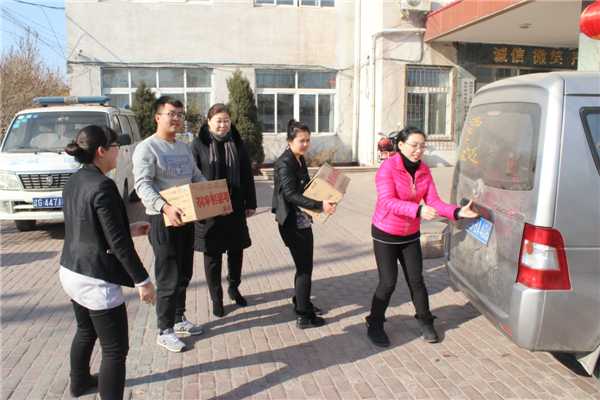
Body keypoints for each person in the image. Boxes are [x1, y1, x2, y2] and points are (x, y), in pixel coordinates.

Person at [60, 125, 156, 399]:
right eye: (116, 147)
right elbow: (119, 245)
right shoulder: (104, 185)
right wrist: (143, 280)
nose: (120, 152)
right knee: (115, 350)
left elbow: (89, 225)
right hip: (95, 278)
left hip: (71, 269)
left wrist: (128, 228)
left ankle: (79, 383)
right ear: (101, 151)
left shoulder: (75, 180)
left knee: (85, 330)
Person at [366, 126, 478, 347]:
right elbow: (387, 201)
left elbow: (434, 201)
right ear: (401, 145)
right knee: (388, 282)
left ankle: (425, 320)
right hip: (386, 232)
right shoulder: (388, 168)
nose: (418, 150)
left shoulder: (424, 170)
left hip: (409, 233)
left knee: (416, 280)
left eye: (422, 146)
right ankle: (375, 323)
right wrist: (417, 210)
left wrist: (457, 212)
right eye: (414, 145)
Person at [132, 96, 207, 353]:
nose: (176, 118)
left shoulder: (183, 148)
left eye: (179, 114)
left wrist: (210, 191)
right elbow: (142, 185)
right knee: (168, 276)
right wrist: (165, 206)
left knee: (184, 272)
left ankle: (178, 318)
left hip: (186, 218)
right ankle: (164, 330)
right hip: (163, 219)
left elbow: (196, 176)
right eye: (171, 114)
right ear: (158, 117)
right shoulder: (147, 148)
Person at [191, 104, 257, 317]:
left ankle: (234, 287)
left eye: (226, 120)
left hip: (235, 205)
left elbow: (246, 174)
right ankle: (216, 298)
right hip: (209, 206)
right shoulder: (198, 144)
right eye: (218, 120)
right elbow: (192, 175)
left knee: (236, 250)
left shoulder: (237, 142)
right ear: (208, 121)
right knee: (213, 255)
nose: (223, 124)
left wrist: (250, 202)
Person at [272, 119, 337, 329]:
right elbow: (290, 194)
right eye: (302, 140)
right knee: (304, 269)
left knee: (304, 266)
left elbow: (305, 188)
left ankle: (301, 301)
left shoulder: (298, 159)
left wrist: (326, 192)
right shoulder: (285, 163)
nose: (306, 144)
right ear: (290, 141)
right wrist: (319, 205)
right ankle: (303, 315)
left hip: (302, 219)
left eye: (308, 140)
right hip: (292, 222)